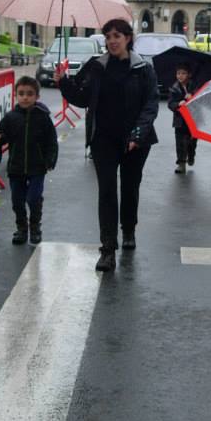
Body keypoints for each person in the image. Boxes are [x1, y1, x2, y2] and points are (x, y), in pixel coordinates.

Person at [55, 18, 159, 272]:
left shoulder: (143, 68)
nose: (112, 41)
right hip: (103, 139)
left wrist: (137, 134)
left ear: (128, 38)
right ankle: (108, 249)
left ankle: (129, 228)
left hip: (136, 140)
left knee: (130, 188)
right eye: (108, 37)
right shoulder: (96, 66)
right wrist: (63, 82)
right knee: (107, 192)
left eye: (117, 36)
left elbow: (151, 104)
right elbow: (82, 98)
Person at [0, 76, 59, 246]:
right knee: (17, 201)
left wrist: (50, 160)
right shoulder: (10, 117)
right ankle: (22, 228)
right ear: (16, 95)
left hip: (37, 167)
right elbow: (2, 136)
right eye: (21, 94)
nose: (25, 97)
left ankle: (35, 227)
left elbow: (52, 140)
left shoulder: (43, 117)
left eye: (29, 94)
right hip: (16, 167)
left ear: (37, 96)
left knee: (33, 198)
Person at [168, 63, 197, 174]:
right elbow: (170, 104)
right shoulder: (174, 88)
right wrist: (178, 104)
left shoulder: (194, 86)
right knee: (180, 143)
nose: (180, 76)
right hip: (180, 121)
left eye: (183, 73)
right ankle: (181, 164)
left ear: (189, 74)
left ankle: (191, 155)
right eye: (178, 73)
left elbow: (201, 99)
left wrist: (192, 96)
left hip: (193, 119)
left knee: (191, 142)